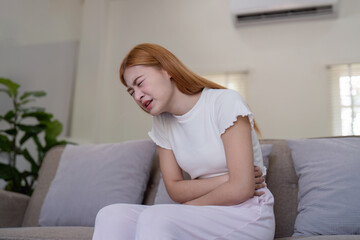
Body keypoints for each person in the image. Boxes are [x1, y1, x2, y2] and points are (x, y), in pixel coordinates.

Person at [92, 43, 275, 240]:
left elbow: (242, 189)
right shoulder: (162, 122)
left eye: (140, 83)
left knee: (157, 217)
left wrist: (186, 208)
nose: (137, 96)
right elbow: (175, 189)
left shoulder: (224, 102)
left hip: (246, 211)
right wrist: (225, 180)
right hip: (204, 212)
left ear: (167, 70)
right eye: (131, 92)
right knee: (111, 215)